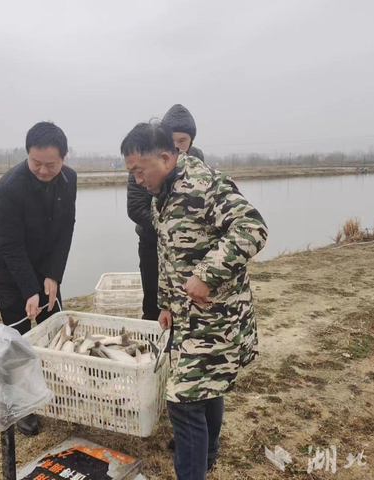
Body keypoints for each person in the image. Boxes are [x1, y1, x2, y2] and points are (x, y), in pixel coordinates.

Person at [121, 121, 268, 479]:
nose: (137, 180)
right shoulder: (163, 194)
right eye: (131, 173)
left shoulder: (202, 185)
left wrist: (207, 275)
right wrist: (166, 303)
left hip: (217, 315)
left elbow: (253, 228)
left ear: (167, 158)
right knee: (206, 386)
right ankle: (209, 453)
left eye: (140, 171)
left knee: (183, 401)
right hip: (188, 316)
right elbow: (168, 253)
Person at [0, 121, 77, 436]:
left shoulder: (69, 180)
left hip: (44, 258)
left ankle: (59, 385)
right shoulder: (9, 188)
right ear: (27, 154)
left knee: (55, 321)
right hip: (7, 265)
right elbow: (9, 246)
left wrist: (53, 275)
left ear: (64, 157)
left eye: (50, 164)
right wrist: (29, 290)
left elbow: (65, 229)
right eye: (35, 162)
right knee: (19, 332)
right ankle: (22, 404)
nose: (41, 169)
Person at [127, 104, 204, 321]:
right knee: (154, 303)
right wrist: (169, 227)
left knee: (188, 300)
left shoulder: (196, 160)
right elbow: (135, 208)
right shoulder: (145, 160)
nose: (177, 147)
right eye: (172, 141)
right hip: (152, 243)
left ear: (191, 141)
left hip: (189, 248)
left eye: (183, 141)